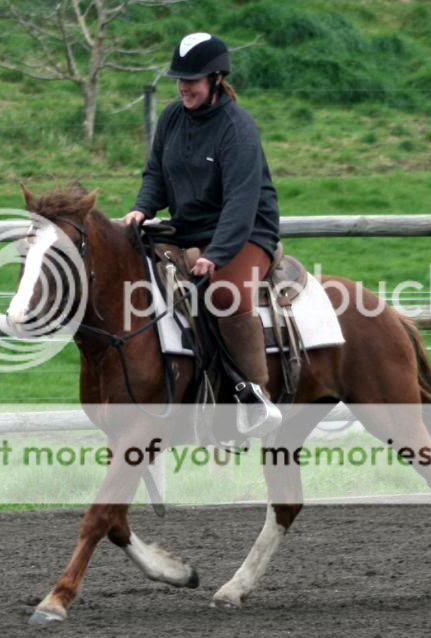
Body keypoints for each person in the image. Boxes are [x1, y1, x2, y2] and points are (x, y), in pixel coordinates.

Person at [123, 32, 281, 433]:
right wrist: (142, 208)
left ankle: (256, 397)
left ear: (215, 78)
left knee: (225, 293)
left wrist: (217, 254)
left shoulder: (238, 129)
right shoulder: (171, 118)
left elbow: (241, 203)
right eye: (179, 79)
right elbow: (155, 174)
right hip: (188, 230)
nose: (183, 87)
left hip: (246, 232)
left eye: (191, 79)